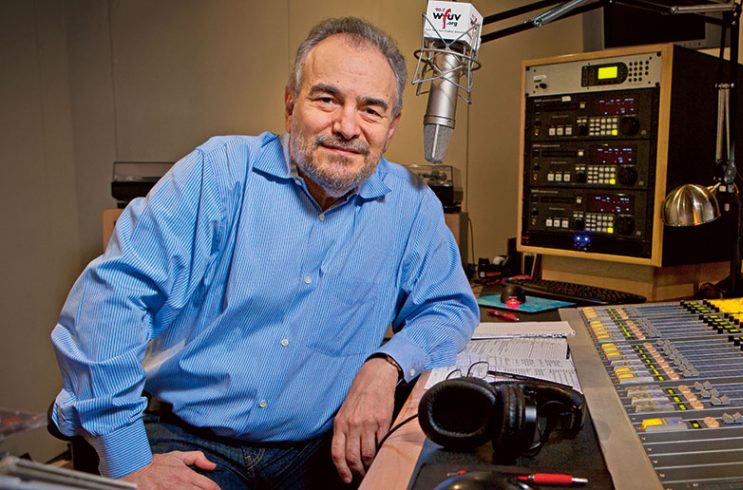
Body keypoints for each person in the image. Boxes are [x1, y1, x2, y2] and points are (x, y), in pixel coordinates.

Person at [49, 17, 479, 489]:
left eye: (371, 110)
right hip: (190, 440)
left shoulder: (411, 206)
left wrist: (387, 364)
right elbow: (109, 304)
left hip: (318, 449)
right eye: (326, 99)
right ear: (291, 104)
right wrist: (129, 460)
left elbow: (450, 307)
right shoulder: (219, 173)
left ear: (391, 127)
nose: (347, 126)